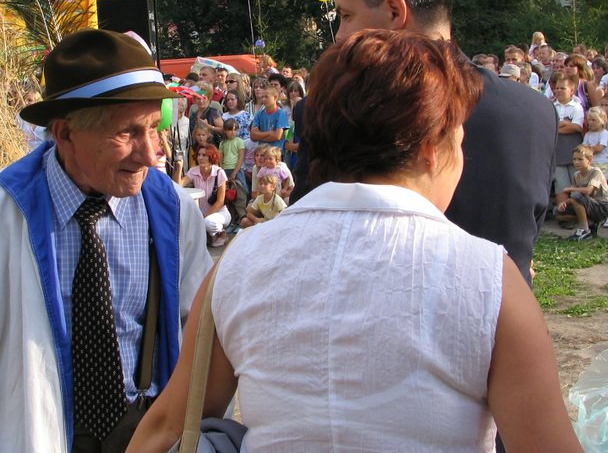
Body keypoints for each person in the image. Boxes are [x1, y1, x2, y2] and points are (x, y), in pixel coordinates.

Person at [127, 30, 580, 453]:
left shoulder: (239, 262)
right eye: (458, 140)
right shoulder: (488, 279)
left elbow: (169, 424)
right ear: (430, 146)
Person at [0, 29, 214, 453]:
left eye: (154, 128)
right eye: (128, 133)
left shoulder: (170, 209)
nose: (150, 153)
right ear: (64, 134)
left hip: (148, 437)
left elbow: (200, 335)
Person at [292, 0, 557, 287]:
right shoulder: (532, 112)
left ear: (395, 11)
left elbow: (314, 238)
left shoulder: (333, 110)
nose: (340, 35)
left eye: (346, 14)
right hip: (502, 313)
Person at [181, 144, 231, 248]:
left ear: (211, 157)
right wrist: (178, 167)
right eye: (199, 155)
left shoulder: (219, 172)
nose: (200, 158)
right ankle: (210, 235)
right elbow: (178, 185)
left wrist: (203, 217)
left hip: (219, 212)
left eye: (204, 155)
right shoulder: (193, 171)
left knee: (209, 223)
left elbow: (220, 202)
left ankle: (222, 233)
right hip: (200, 213)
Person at [556, 144, 608, 241]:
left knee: (576, 195)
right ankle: (591, 223)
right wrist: (564, 203)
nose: (576, 162)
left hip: (602, 206)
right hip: (587, 204)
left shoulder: (595, 172)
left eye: (580, 159)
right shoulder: (576, 175)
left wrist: (571, 189)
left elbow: (588, 191)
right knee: (558, 212)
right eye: (574, 159)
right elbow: (574, 198)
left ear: (589, 160)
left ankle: (585, 230)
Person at [552, 73, 585, 214]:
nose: (558, 90)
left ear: (571, 91)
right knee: (561, 184)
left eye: (562, 88)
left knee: (577, 182)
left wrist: (556, 128)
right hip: (557, 152)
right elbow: (547, 126)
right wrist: (565, 123)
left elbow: (577, 127)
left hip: (573, 151)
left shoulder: (576, 107)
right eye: (557, 88)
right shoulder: (551, 106)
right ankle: (564, 214)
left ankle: (580, 213)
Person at [250, 85, 290, 151]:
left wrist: (260, 135)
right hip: (262, 152)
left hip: (275, 152)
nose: (263, 99)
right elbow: (253, 136)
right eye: (262, 97)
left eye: (266, 97)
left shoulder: (281, 114)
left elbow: (277, 136)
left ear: (275, 97)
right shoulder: (259, 114)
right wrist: (270, 133)